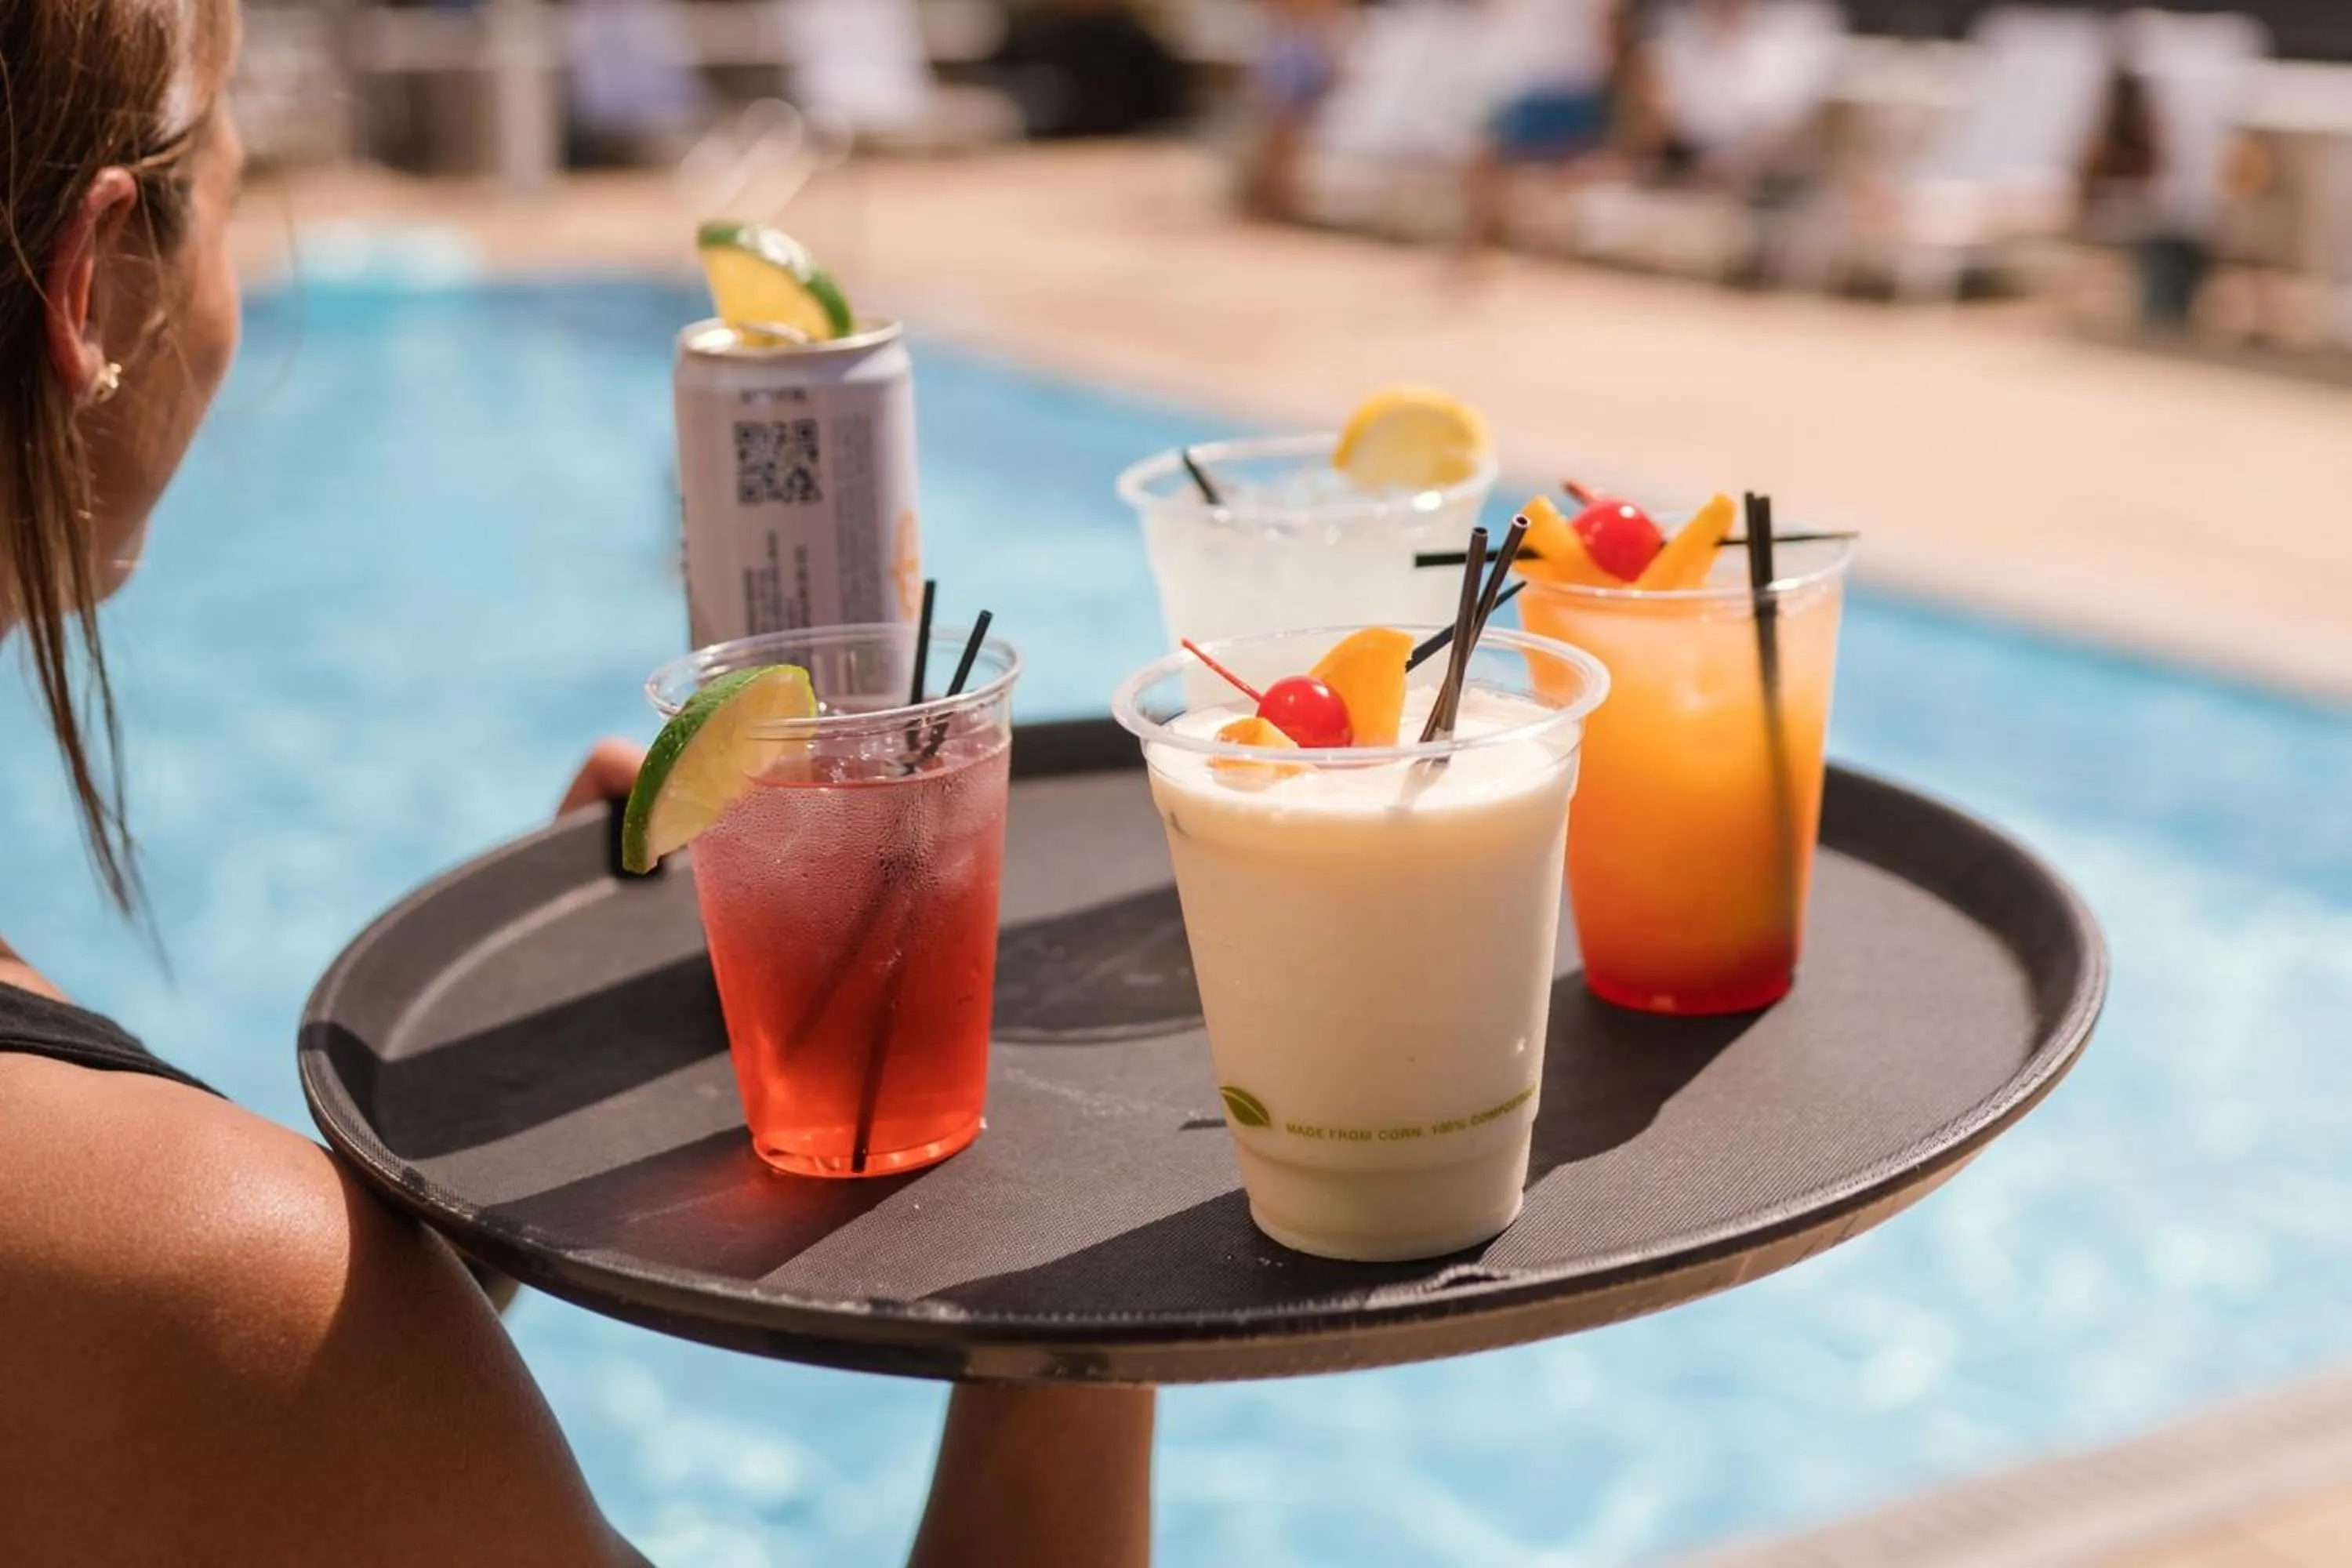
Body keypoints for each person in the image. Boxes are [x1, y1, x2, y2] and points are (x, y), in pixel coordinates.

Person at [0, 2, 1155, 1563]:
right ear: (90, 283)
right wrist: (1087, 1296)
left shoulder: (182, 1280)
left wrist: (441, 1211)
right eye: (236, 170)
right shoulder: (192, 1275)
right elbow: (231, 1396)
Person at [1457, 0, 1648, 257]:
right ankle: (1485, 244)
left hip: (1561, 87)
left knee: (1486, 158)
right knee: (1491, 160)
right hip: (1547, 85)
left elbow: (1612, 31)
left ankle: (1479, 246)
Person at [1238, 0, 1349, 222]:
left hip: (1304, 48)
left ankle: (1274, 197)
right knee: (1279, 132)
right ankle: (1267, 196)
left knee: (1290, 135)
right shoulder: (1290, 42)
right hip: (1293, 47)